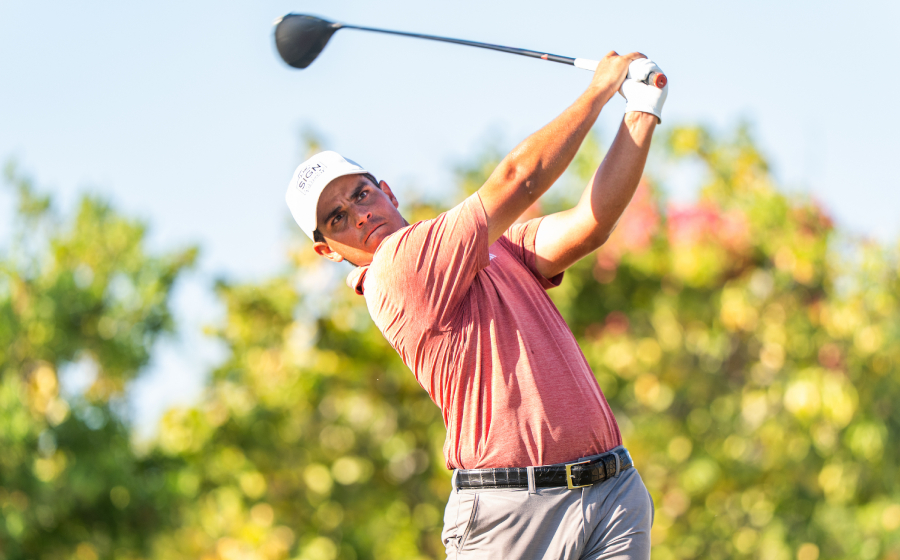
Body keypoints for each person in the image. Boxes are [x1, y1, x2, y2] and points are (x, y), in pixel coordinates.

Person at [285, 52, 668, 560]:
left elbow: (589, 224)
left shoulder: (492, 249)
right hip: (511, 515)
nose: (359, 215)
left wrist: (642, 110)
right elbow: (518, 178)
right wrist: (600, 90)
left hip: (611, 489)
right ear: (326, 250)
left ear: (387, 191)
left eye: (361, 194)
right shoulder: (397, 268)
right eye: (337, 218)